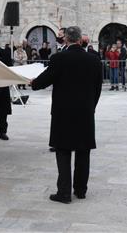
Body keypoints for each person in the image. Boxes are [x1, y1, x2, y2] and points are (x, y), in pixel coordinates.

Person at [30, 26, 102, 204]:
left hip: (63, 113)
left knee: (63, 151)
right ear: (80, 40)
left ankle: (64, 192)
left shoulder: (59, 58)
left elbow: (43, 81)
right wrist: (90, 107)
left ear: (67, 40)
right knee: (83, 151)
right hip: (85, 113)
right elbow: (98, 88)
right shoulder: (93, 60)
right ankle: (81, 190)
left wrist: (33, 82)